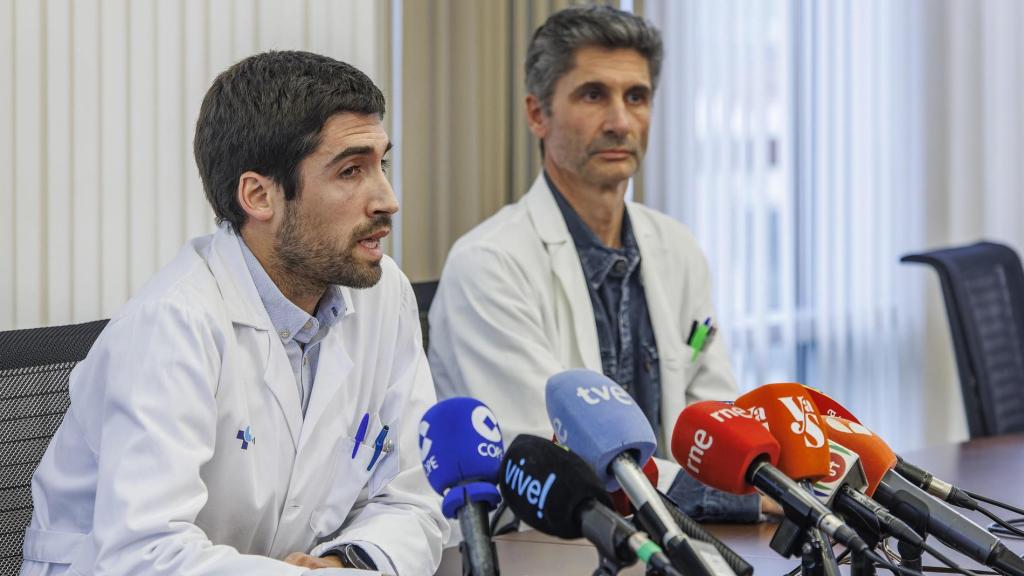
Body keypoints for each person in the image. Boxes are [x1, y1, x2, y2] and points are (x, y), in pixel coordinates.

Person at [21, 51, 445, 576]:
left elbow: (415, 496)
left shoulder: (383, 294)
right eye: (351, 171)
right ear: (259, 195)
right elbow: (144, 556)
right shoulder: (172, 325)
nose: (387, 198)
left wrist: (346, 562)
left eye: (382, 164)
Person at [428, 6, 775, 522]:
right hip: (546, 547)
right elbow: (558, 463)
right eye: (593, 95)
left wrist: (772, 482)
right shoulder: (489, 264)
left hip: (681, 538)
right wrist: (740, 500)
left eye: (636, 97)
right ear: (536, 114)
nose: (619, 121)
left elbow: (714, 421)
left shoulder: (676, 247)